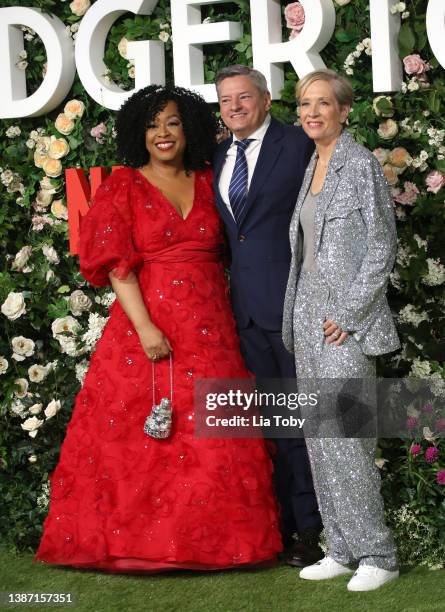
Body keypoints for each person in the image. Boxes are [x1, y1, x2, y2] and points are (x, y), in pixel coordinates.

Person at [35, 85, 282, 572]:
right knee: (140, 436)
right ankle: (138, 547)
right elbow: (115, 266)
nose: (162, 133)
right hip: (145, 325)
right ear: (137, 133)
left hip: (212, 324)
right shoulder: (123, 186)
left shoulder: (214, 181)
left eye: (172, 122)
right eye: (151, 125)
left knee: (216, 432)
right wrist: (146, 327)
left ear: (188, 128)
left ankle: (217, 546)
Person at [282, 69, 400, 591]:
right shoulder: (313, 164)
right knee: (319, 437)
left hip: (343, 323)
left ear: (344, 110)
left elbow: (381, 247)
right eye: (305, 104)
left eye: (322, 104)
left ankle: (379, 553)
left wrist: (349, 315)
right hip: (306, 315)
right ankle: (342, 547)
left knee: (347, 436)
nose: (311, 113)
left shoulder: (360, 166)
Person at [213, 65, 323, 567]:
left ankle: (311, 529)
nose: (234, 107)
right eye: (225, 100)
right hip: (244, 314)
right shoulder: (218, 155)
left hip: (293, 306)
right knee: (271, 423)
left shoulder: (298, 145)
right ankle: (279, 525)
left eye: (243, 97)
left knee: (306, 421)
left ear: (265, 100)